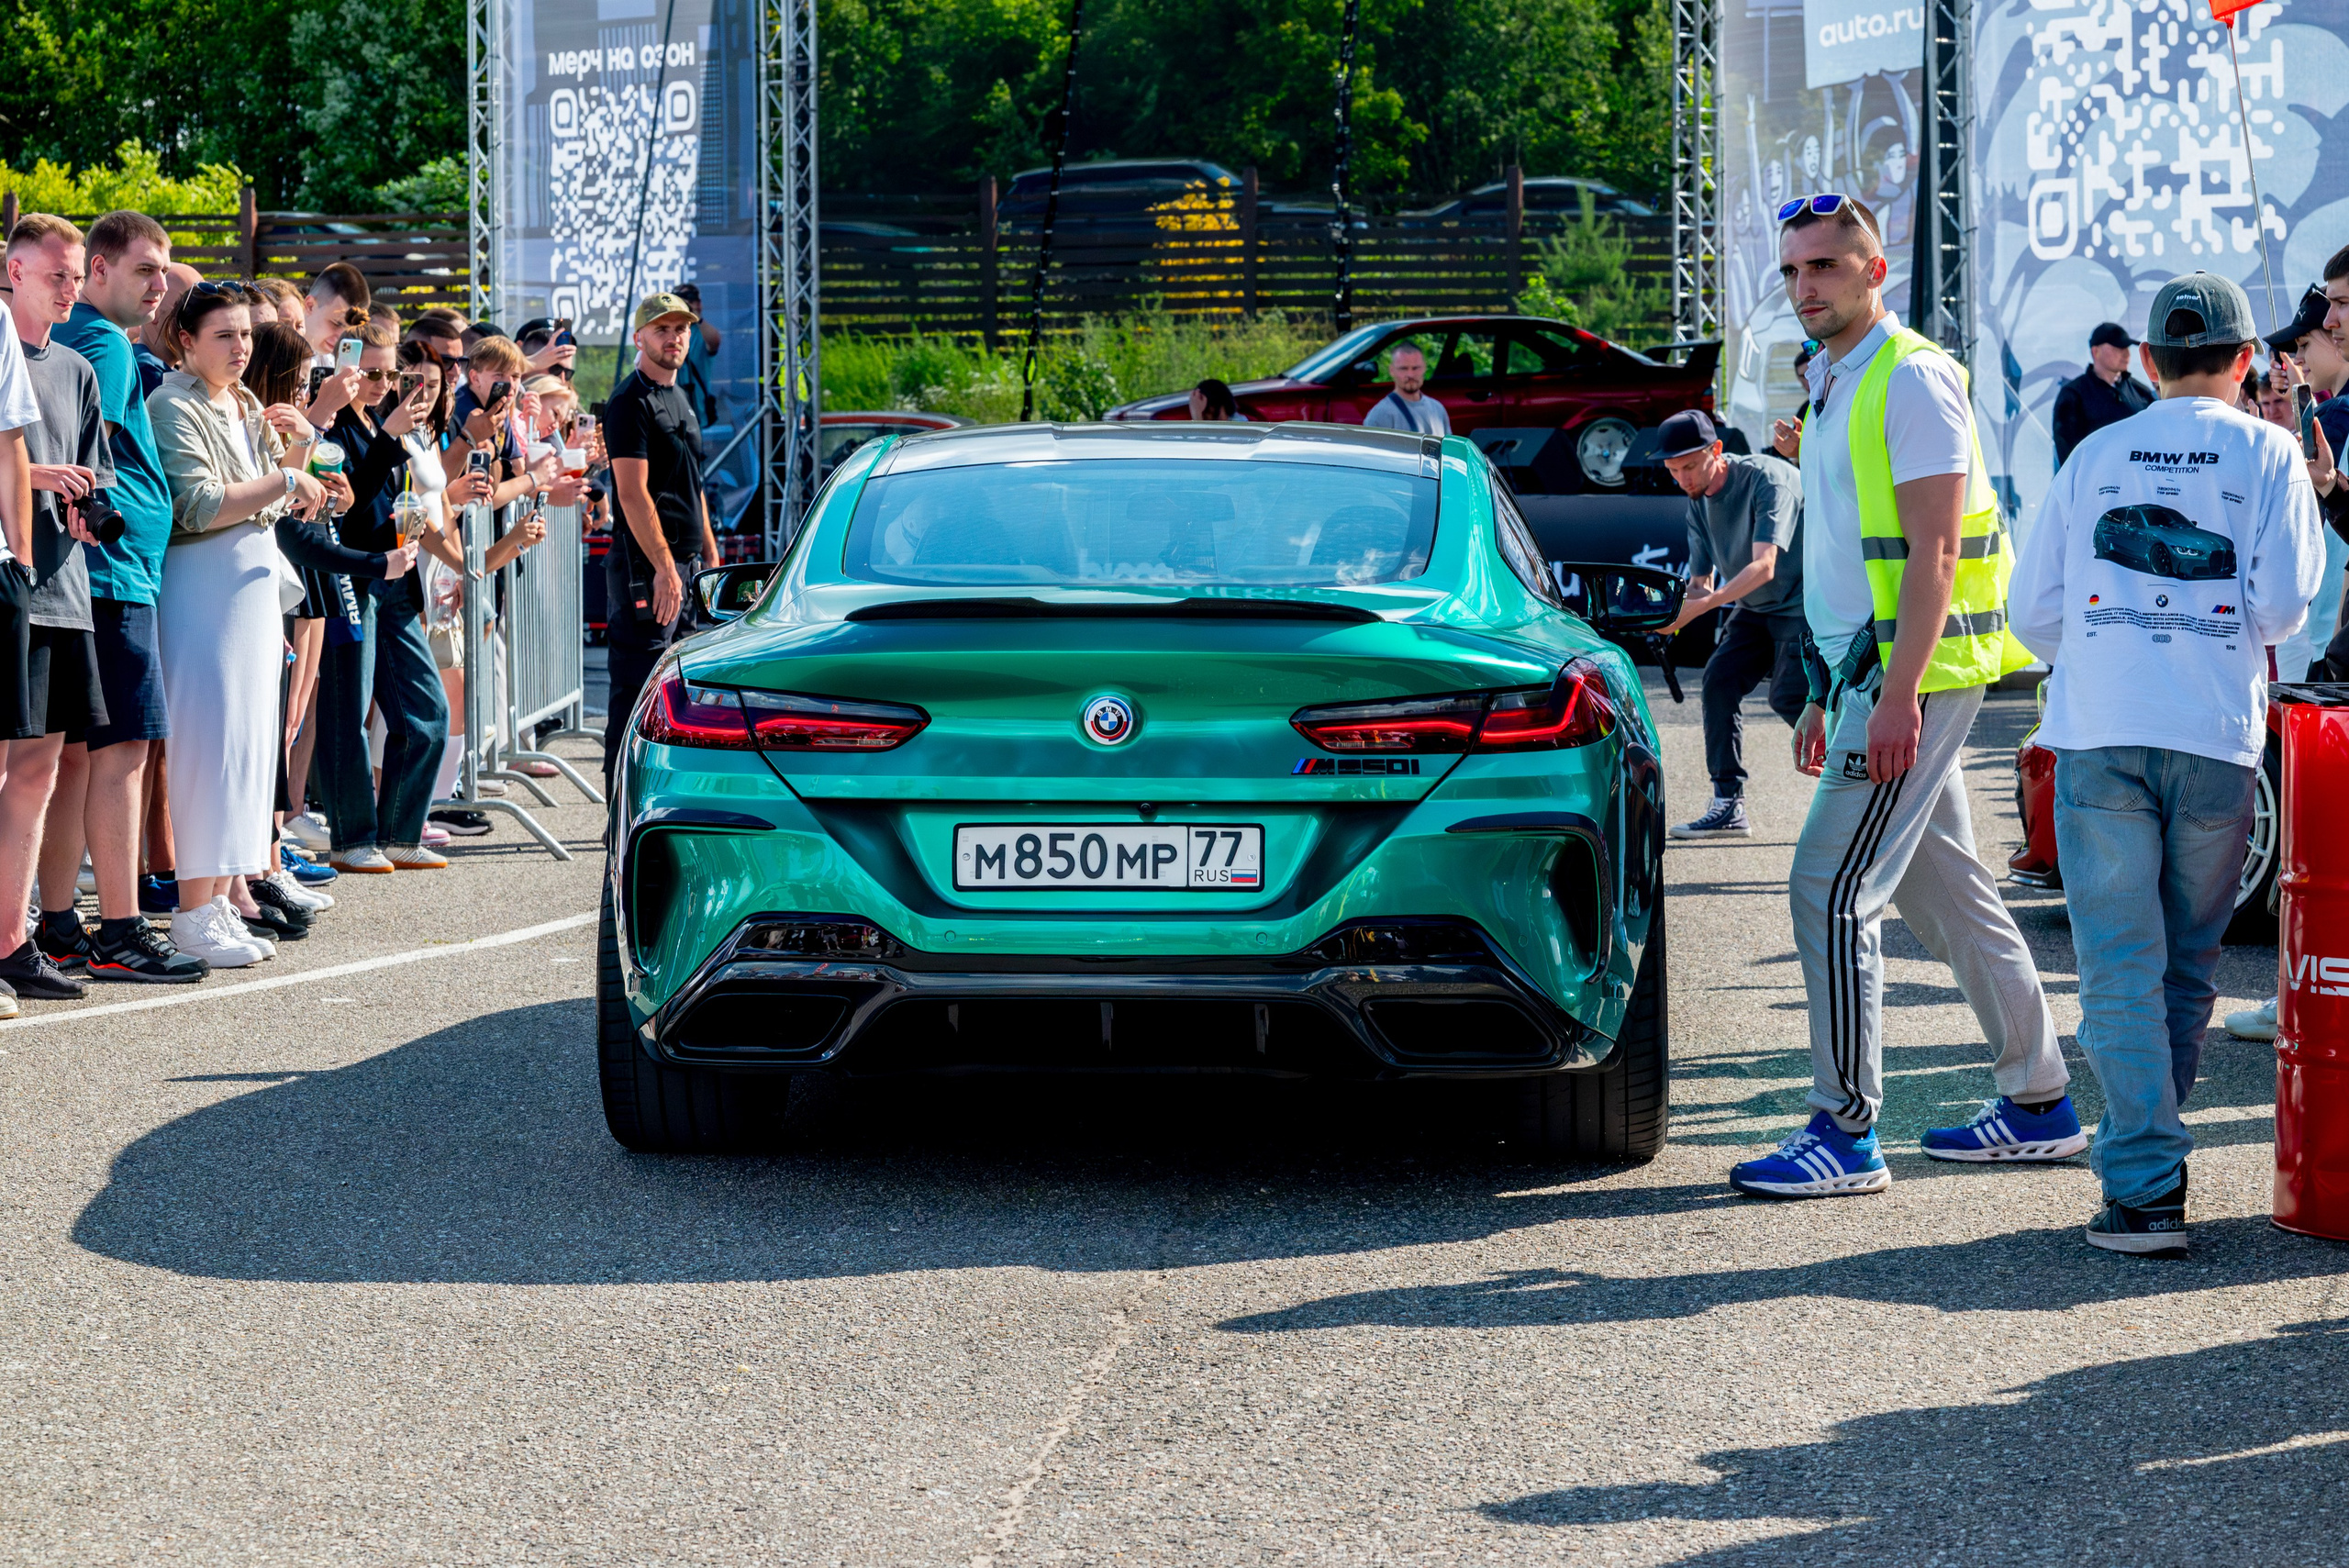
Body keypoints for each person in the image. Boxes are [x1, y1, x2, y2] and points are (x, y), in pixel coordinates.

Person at [1729, 193, 2070, 1199]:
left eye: (1827, 266)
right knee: (1952, 895)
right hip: (1869, 675)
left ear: (1875, 270)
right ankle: (2041, 1102)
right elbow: (1844, 555)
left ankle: (1843, 1131)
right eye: (1793, 271)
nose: (1806, 287)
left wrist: (1895, 697)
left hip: (1909, 677)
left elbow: (1933, 551)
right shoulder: (1832, 378)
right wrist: (1826, 691)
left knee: (1829, 891)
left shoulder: (1911, 375)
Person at [2011, 272, 2322, 1253]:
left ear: (2146, 362)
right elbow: (2281, 611)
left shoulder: (2095, 451)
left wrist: (2106, 646)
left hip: (2100, 728)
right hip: (2216, 736)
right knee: (2186, 960)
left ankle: (2144, 1179)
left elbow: (2032, 613)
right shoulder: (2270, 451)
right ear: (2243, 362)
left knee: (2118, 964)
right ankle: (2148, 1152)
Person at [150, 282, 341, 966]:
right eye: (224, 335)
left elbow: (270, 495)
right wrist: (289, 482)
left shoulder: (249, 403)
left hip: (254, 585)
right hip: (204, 586)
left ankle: (221, 899)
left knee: (250, 746)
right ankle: (192, 909)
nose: (241, 347)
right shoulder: (171, 403)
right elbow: (198, 505)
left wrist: (304, 458)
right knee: (209, 743)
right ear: (187, 340)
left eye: (246, 335)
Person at [44, 210, 207, 982]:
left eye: (164, 270)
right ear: (98, 269)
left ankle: (58, 922)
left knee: (78, 757)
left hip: (97, 579)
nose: (161, 286)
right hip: (110, 576)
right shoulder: (104, 343)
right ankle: (116, 927)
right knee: (121, 755)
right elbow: (90, 451)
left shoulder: (76, 335)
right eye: (145, 270)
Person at [2, 215, 117, 1005]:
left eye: (76, 276)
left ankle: (16, 940)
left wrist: (82, 504)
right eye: (56, 276)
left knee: (40, 770)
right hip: (10, 581)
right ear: (14, 271)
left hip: (64, 586)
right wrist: (37, 478)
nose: (71, 288)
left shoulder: (77, 367)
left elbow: (97, 474)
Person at [310, 317, 441, 872]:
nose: (383, 383)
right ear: (345, 368)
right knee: (349, 709)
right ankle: (353, 838)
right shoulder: (333, 423)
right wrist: (387, 440)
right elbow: (348, 508)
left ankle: (398, 832)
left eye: (391, 373)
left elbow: (386, 498)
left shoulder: (375, 421)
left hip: (396, 578)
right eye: (371, 373)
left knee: (426, 708)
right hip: (353, 576)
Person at [1654, 409, 1807, 839]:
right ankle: (1728, 804)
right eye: (1672, 470)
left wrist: (1704, 606)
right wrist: (1668, 618)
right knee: (1718, 681)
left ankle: (1860, 785)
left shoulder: (1766, 480)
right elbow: (1700, 583)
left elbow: (1765, 566)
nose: (1682, 479)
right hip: (1757, 608)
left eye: (1689, 466)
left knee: (1789, 698)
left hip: (1805, 603)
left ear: (1716, 451)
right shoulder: (1696, 502)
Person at [602, 292, 719, 792]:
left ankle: (668, 802)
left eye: (681, 329)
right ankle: (621, 813)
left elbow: (692, 482)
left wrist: (710, 554)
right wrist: (665, 566)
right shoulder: (630, 401)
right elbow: (631, 492)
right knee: (638, 691)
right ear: (640, 337)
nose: (674, 338)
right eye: (662, 329)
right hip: (647, 567)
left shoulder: (679, 394)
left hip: (686, 565)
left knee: (681, 691)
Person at [2051, 322, 2154, 468]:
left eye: (2127, 348)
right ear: (2096, 352)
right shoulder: (2073, 395)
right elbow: (2068, 455)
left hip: (2139, 483)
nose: (2126, 354)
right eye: (2118, 348)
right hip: (2096, 486)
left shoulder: (2141, 391)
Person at [1360, 343, 1450, 437]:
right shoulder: (1381, 414)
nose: (1410, 374)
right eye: (1403, 369)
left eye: (1415, 368)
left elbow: (1448, 449)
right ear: (1392, 370)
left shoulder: (1438, 408)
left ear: (1424, 368)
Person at [301, 261, 371, 361]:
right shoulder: (277, 351)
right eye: (336, 324)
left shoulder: (332, 361)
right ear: (310, 306)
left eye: (349, 331)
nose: (342, 337)